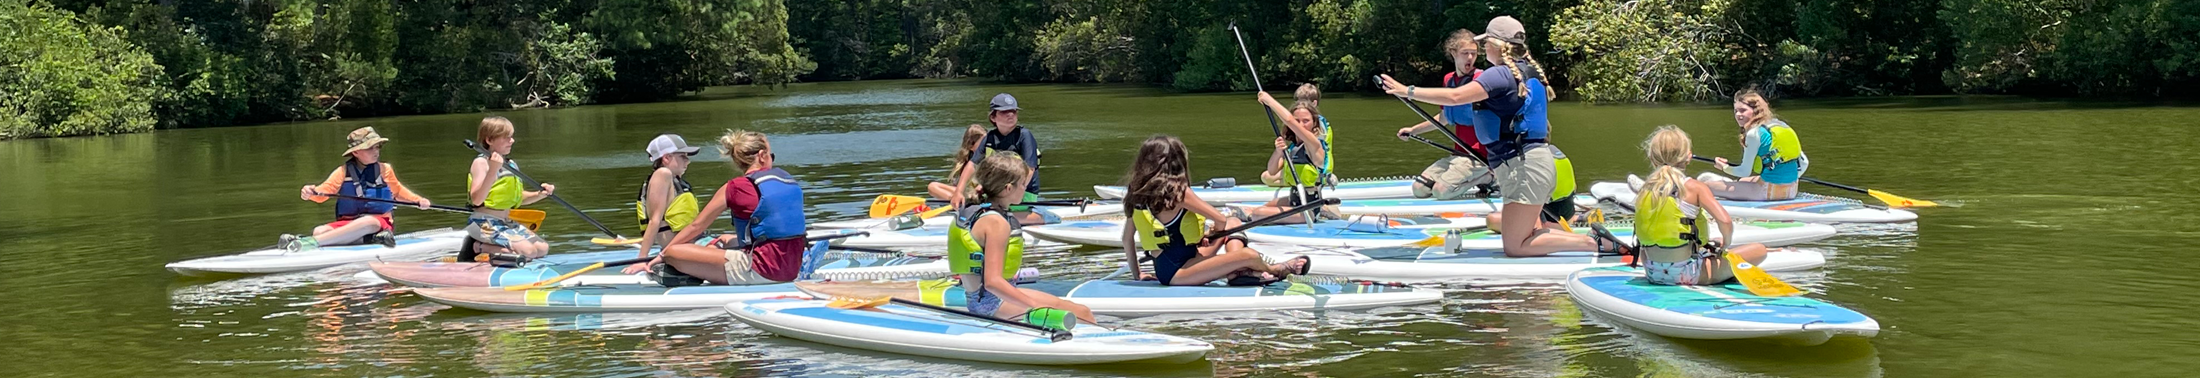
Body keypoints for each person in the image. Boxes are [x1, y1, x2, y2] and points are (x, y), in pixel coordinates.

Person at [1378, 16, 1615, 257]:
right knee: (1526, 232)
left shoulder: (1499, 75)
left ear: (1497, 45)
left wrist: (1406, 91)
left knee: (1515, 246)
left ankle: (1593, 244)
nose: (1482, 50)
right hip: (1530, 164)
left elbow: (1456, 97)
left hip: (1524, 169)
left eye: (1484, 44)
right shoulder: (1528, 71)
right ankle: (1597, 241)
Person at [1118, 136, 1310, 286]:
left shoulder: (1136, 194)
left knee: (1234, 222)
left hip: (1172, 266)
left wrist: (1138, 275)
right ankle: (1275, 269)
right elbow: (1219, 220)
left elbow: (1127, 238)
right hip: (1180, 273)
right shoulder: (1180, 192)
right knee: (1248, 254)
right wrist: (1209, 233)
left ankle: (1238, 273)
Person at [623, 130, 808, 284]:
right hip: (793, 264)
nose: (688, 161)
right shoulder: (786, 178)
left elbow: (697, 226)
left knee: (672, 252)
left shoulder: (734, 187)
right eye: (771, 155)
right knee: (726, 238)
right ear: (761, 156)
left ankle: (686, 272)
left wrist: (658, 257)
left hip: (763, 269)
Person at [1605, 126, 1772, 285]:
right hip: (1688, 274)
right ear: (1688, 157)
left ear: (1651, 158)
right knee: (1759, 250)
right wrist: (1725, 245)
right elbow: (1725, 222)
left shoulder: (1644, 190)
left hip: (1652, 272)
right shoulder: (1694, 187)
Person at [954, 152, 1096, 327]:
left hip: (980, 300)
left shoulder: (976, 210)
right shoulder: (996, 223)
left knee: (1076, 308)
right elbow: (992, 282)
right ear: (1008, 189)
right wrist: (1034, 305)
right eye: (1022, 184)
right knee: (1082, 313)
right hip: (993, 305)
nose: (1025, 189)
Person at [281, 127, 432, 251]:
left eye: (377, 147)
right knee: (319, 230)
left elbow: (398, 192)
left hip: (379, 223)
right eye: (369, 148)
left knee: (367, 222)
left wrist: (418, 200)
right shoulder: (342, 172)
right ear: (355, 152)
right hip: (349, 223)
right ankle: (369, 240)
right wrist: (309, 193)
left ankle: (308, 243)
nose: (376, 152)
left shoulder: (384, 169)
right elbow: (322, 193)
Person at [1398, 29, 1496, 200]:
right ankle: (1473, 177)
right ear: (1453, 53)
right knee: (1419, 189)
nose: (1470, 58)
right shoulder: (1449, 80)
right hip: (1458, 154)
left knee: (1440, 192)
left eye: (1473, 54)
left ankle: (1488, 177)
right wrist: (1413, 130)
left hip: (1479, 157)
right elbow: (1444, 117)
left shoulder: (1482, 80)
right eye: (1465, 53)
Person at [948, 94, 1057, 224]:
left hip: (1023, 191)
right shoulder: (989, 137)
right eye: (1004, 112)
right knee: (979, 210)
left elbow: (1030, 169)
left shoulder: (1024, 136)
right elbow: (972, 164)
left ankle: (1044, 217)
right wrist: (958, 192)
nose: (1010, 114)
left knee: (999, 216)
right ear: (993, 117)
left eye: (1013, 111)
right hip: (998, 191)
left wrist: (1017, 191)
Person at [1242, 85, 1334, 224]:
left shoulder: (1314, 145)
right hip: (1295, 199)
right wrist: (1278, 151)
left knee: (1258, 213)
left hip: (1308, 209)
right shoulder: (1293, 147)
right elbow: (1272, 171)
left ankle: (1322, 210)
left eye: (1306, 121)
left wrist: (1269, 100)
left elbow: (1289, 120)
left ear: (1314, 123)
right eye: (1298, 121)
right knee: (1259, 208)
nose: (1301, 125)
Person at [466, 117, 555, 258]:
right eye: (506, 137)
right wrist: (493, 171)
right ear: (489, 140)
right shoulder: (481, 163)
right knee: (528, 252)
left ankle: (504, 248)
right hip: (483, 223)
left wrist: (540, 194)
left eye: (511, 137)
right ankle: (479, 247)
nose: (512, 141)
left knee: (542, 248)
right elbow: (476, 200)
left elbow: (517, 198)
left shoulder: (511, 164)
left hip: (505, 221)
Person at [1706, 87, 1809, 201]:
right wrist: (1785, 180)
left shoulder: (1753, 133)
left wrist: (1724, 167)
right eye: (1735, 111)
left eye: (1743, 110)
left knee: (1706, 185)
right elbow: (1804, 162)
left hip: (1768, 192)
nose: (1738, 115)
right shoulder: (1781, 125)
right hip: (1792, 190)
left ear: (1756, 110)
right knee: (1743, 181)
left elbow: (1744, 171)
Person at [629, 134, 703, 263]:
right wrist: (642, 259)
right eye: (682, 156)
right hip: (682, 250)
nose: (687, 161)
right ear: (667, 158)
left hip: (694, 245)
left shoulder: (674, 179)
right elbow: (654, 220)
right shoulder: (663, 174)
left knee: (733, 241)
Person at [926, 124, 990, 202]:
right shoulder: (964, 162)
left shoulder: (989, 158)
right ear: (971, 145)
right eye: (982, 142)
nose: (985, 144)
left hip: (980, 193)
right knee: (932, 186)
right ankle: (955, 200)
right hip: (966, 193)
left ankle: (960, 200)